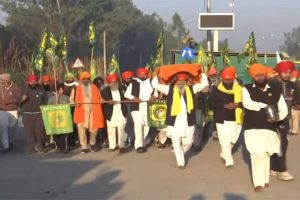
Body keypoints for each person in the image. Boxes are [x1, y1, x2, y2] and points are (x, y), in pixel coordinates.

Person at [243, 64, 288, 192]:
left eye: (261, 75)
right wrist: (265, 106)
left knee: (266, 153)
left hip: (269, 128)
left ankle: (265, 179)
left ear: (265, 76)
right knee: (257, 153)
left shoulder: (275, 90)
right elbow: (248, 103)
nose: (259, 77)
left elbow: (283, 107)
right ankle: (258, 183)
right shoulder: (246, 89)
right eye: (256, 75)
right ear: (253, 77)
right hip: (252, 127)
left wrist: (278, 118)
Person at [152, 72, 208, 169]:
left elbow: (204, 84)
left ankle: (180, 153)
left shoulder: (191, 89)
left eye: (183, 81)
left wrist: (202, 73)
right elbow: (155, 85)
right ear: (176, 82)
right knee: (176, 142)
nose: (181, 83)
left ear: (186, 82)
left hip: (188, 122)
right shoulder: (168, 89)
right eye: (179, 81)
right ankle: (180, 163)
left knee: (189, 142)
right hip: (174, 122)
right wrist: (155, 75)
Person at [210, 67, 243, 169]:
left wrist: (238, 105)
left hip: (237, 118)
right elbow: (211, 103)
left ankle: (224, 154)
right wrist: (225, 106)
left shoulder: (240, 89)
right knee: (225, 140)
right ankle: (229, 162)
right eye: (225, 79)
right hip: (222, 119)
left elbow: (246, 102)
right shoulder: (216, 90)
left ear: (233, 79)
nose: (227, 81)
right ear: (222, 79)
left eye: (229, 79)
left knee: (233, 140)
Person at [269, 61, 296, 181]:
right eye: (285, 72)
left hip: (286, 119)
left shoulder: (293, 85)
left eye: (289, 72)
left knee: (282, 143)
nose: (287, 74)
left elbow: (296, 99)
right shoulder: (271, 84)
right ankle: (281, 170)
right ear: (279, 72)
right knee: (279, 144)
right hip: (272, 118)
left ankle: (274, 168)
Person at [73, 72, 105, 153]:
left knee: (95, 128)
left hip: (93, 111)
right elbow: (71, 100)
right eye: (84, 79)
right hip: (81, 111)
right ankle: (83, 146)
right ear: (81, 80)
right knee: (81, 129)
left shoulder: (94, 87)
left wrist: (103, 101)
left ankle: (92, 142)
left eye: (87, 79)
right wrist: (74, 103)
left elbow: (100, 98)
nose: (86, 80)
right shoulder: (76, 88)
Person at [124, 68, 153, 153]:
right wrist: (134, 98)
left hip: (148, 106)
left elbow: (155, 92)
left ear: (146, 74)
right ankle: (138, 146)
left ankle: (142, 143)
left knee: (147, 125)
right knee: (138, 125)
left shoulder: (151, 82)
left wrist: (153, 96)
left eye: (144, 74)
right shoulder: (133, 82)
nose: (142, 76)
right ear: (138, 75)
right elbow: (126, 94)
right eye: (140, 74)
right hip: (136, 107)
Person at [20, 74, 48, 154]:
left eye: (34, 81)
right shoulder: (24, 89)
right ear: (28, 82)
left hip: (39, 113)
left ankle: (40, 147)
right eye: (31, 81)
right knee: (29, 132)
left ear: (37, 81)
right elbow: (18, 103)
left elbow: (45, 100)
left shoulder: (41, 88)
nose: (33, 83)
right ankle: (31, 149)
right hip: (27, 114)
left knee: (40, 131)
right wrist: (22, 99)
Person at [101, 74, 128, 153]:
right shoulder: (105, 91)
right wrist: (108, 102)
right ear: (109, 83)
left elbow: (127, 97)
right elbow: (102, 101)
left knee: (121, 129)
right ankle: (112, 146)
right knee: (111, 130)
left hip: (121, 112)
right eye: (112, 82)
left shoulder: (123, 88)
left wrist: (126, 99)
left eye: (115, 82)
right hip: (110, 113)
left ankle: (121, 146)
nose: (114, 83)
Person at [0, 73, 21, 152]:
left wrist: (12, 101)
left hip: (13, 110)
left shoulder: (15, 87)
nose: (1, 82)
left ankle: (10, 142)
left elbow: (18, 98)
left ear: (8, 80)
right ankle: (5, 146)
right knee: (3, 128)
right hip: (2, 111)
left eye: (3, 80)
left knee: (12, 128)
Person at [48, 83, 70, 153]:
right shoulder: (51, 99)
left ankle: (63, 148)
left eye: (62, 89)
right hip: (54, 119)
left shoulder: (66, 97)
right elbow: (48, 108)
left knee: (63, 134)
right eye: (60, 89)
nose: (61, 91)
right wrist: (54, 105)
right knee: (56, 134)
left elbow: (69, 106)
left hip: (63, 119)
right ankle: (58, 146)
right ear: (56, 90)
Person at [290, 70, 300, 135]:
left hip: (295, 103)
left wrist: (296, 102)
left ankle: (293, 130)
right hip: (297, 102)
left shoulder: (293, 84)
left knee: (293, 117)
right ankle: (294, 130)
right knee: (295, 117)